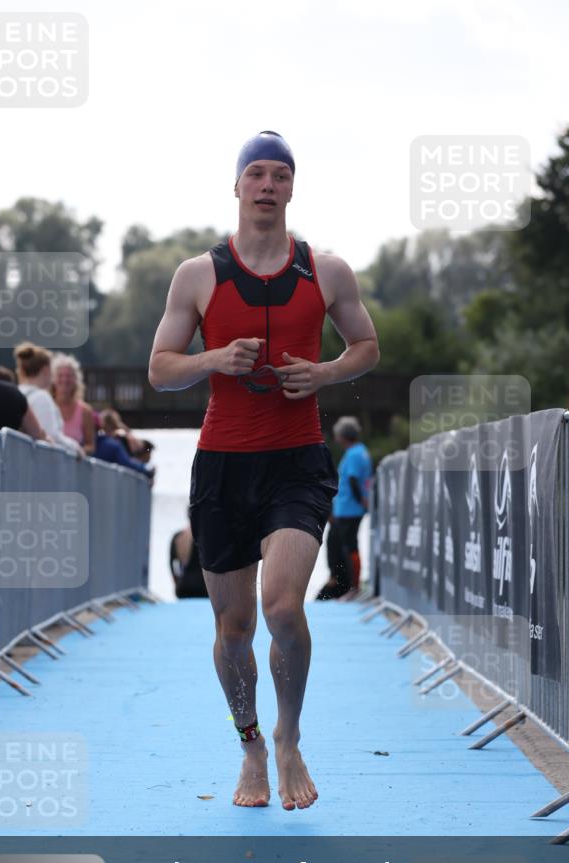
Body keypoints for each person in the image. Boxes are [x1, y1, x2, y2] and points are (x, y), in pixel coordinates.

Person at [148, 130, 379, 810]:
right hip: (222, 464)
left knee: (282, 607)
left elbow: (365, 345)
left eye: (280, 174)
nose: (268, 185)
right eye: (257, 173)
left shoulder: (325, 269)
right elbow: (159, 370)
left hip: (296, 462)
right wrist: (210, 360)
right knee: (233, 629)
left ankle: (288, 735)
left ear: (291, 188)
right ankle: (249, 744)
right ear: (238, 186)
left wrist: (328, 371)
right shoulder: (198, 274)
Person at [317, 416, 373, 600]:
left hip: (350, 509)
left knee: (350, 546)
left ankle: (354, 587)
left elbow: (353, 479)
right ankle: (345, 583)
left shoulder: (355, 454)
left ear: (343, 435)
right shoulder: (359, 452)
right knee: (341, 546)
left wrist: (360, 501)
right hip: (346, 509)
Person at [14, 343, 84, 456]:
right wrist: (75, 447)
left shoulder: (17, 392)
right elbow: (52, 435)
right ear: (46, 370)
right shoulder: (42, 397)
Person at [51, 353, 97, 454]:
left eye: (69, 376)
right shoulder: (46, 405)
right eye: (60, 375)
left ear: (76, 379)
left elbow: (91, 446)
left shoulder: (85, 411)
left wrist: (77, 452)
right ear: (53, 379)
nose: (65, 379)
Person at [94, 409, 155, 480]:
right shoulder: (115, 444)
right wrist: (148, 472)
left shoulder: (96, 441)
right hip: (114, 481)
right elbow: (127, 462)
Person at [170, 517, 208, 598]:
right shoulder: (204, 535)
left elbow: (173, 567)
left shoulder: (178, 537)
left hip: (183, 586)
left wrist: (178, 584)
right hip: (203, 587)